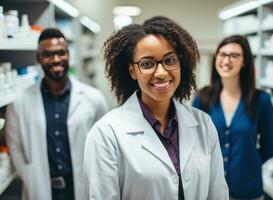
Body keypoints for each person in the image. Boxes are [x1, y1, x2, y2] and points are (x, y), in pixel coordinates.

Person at [84, 16, 229, 200]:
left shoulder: (203, 124)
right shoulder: (106, 133)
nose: (161, 73)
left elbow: (217, 193)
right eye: (147, 64)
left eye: (169, 60)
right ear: (132, 71)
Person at [5, 28, 108, 200]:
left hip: (82, 188)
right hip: (41, 188)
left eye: (61, 53)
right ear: (38, 58)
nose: (56, 60)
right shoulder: (19, 102)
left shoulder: (94, 98)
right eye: (48, 54)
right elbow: (15, 146)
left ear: (69, 54)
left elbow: (105, 145)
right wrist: (30, 176)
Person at [192, 35, 273, 199]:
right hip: (209, 189)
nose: (226, 60)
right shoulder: (203, 98)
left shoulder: (261, 100)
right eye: (222, 54)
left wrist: (248, 163)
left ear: (245, 62)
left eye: (234, 55)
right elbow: (191, 142)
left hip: (248, 191)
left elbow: (270, 146)